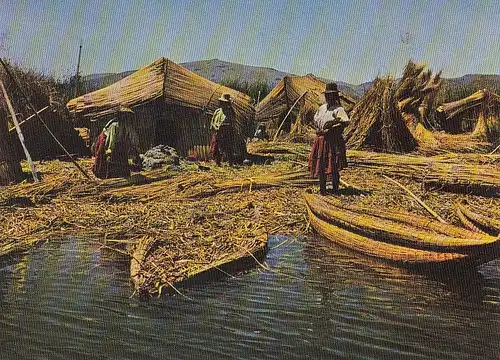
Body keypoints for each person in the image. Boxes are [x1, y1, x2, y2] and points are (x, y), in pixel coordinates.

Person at [308, 83, 350, 195]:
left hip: (332, 141)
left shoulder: (338, 109)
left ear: (335, 96)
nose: (328, 97)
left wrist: (332, 127)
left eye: (331, 95)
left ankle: (335, 189)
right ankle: (323, 190)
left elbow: (345, 122)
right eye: (327, 95)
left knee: (333, 164)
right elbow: (315, 120)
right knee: (321, 164)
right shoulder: (321, 108)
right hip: (320, 140)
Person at [92, 106, 141, 179]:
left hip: (120, 143)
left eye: (126, 116)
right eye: (123, 115)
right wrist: (109, 150)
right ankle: (104, 175)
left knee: (122, 157)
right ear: (119, 115)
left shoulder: (127, 125)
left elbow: (133, 137)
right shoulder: (114, 125)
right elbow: (112, 138)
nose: (125, 117)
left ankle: (122, 174)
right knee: (103, 157)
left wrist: (137, 149)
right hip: (107, 140)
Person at [210, 93, 235, 166]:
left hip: (227, 133)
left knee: (228, 148)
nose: (222, 104)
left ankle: (230, 163)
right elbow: (213, 121)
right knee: (216, 148)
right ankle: (217, 163)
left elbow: (232, 121)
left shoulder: (230, 112)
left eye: (224, 102)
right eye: (221, 102)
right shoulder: (217, 111)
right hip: (217, 133)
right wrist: (215, 127)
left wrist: (224, 127)